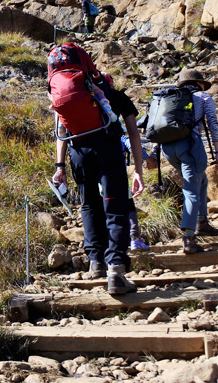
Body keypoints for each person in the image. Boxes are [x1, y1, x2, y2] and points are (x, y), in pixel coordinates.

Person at [53, 69, 144, 295]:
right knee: (115, 207)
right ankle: (116, 270)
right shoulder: (118, 97)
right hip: (109, 152)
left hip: (79, 155)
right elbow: (133, 134)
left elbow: (61, 133)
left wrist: (60, 166)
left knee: (89, 204)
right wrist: (138, 171)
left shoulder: (73, 102)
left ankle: (96, 262)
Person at [159, 69, 218, 255]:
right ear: (200, 83)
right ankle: (189, 237)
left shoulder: (169, 96)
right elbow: (213, 123)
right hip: (189, 146)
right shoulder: (203, 97)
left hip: (168, 149)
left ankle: (202, 222)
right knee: (192, 189)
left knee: (201, 180)